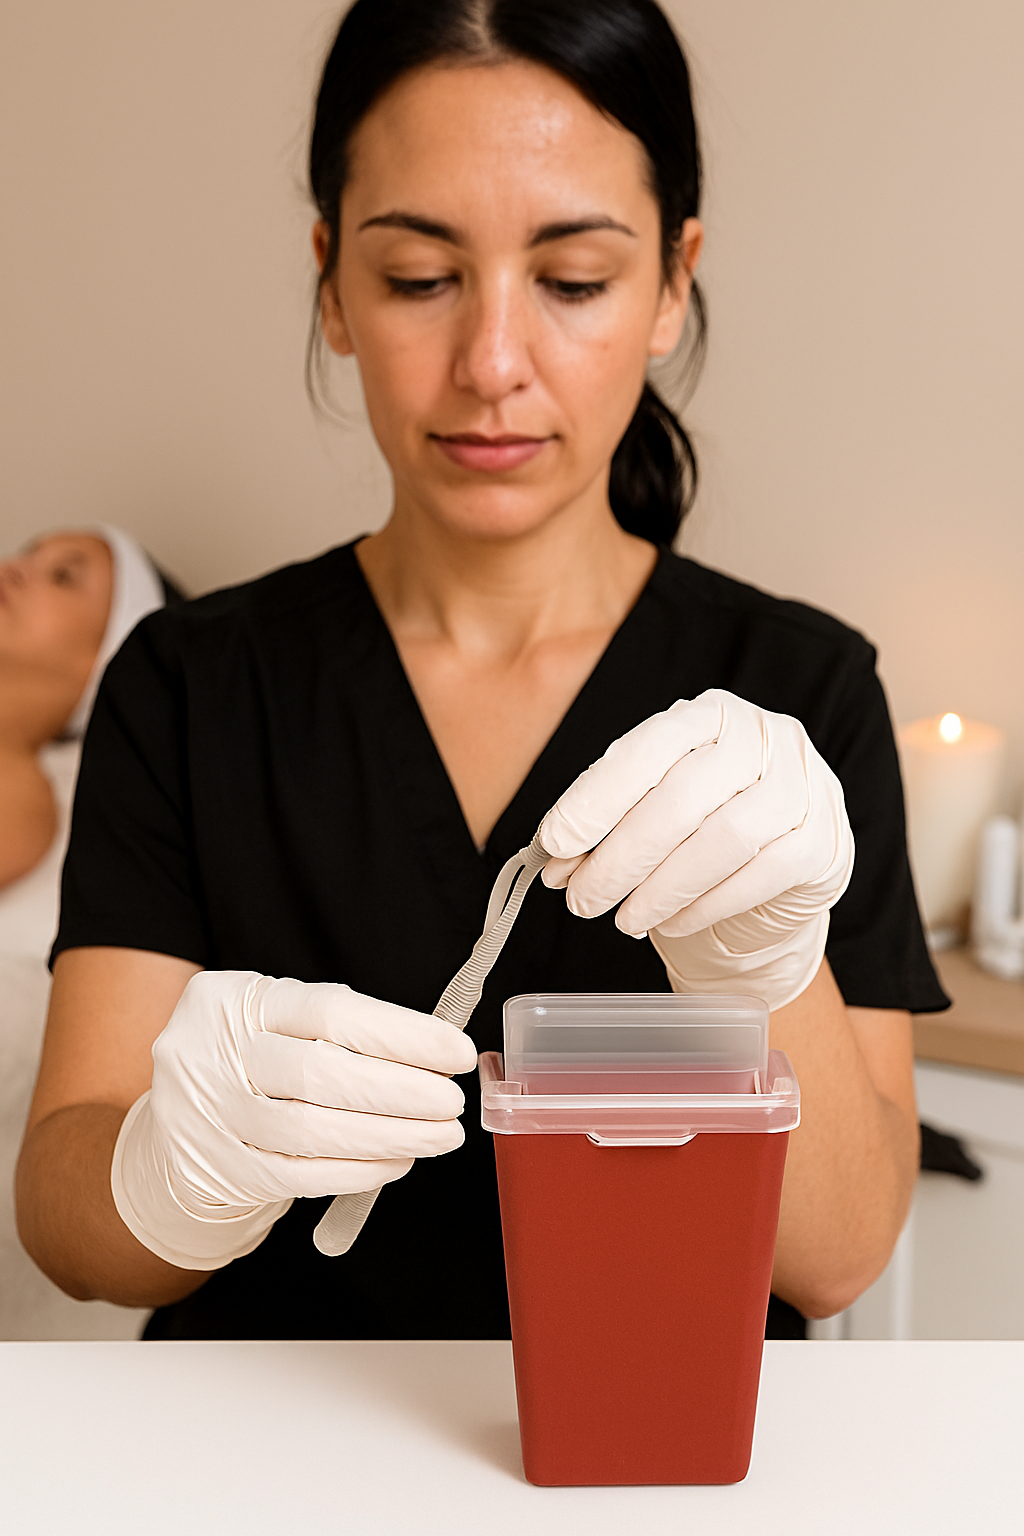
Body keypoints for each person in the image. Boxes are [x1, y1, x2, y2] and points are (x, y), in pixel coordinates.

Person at [16, 0, 946, 1343]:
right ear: (331, 281)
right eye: (418, 279)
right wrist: (168, 1176)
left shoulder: (799, 692)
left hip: (655, 1455)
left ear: (675, 281)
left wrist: (768, 971)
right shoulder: (193, 684)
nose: (492, 364)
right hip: (264, 1452)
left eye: (572, 281)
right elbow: (61, 1215)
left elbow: (838, 1258)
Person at [0, 526, 170, 1338]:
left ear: (105, 657)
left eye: (64, 577)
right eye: (26, 555)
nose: (15, 572)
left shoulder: (35, 797)